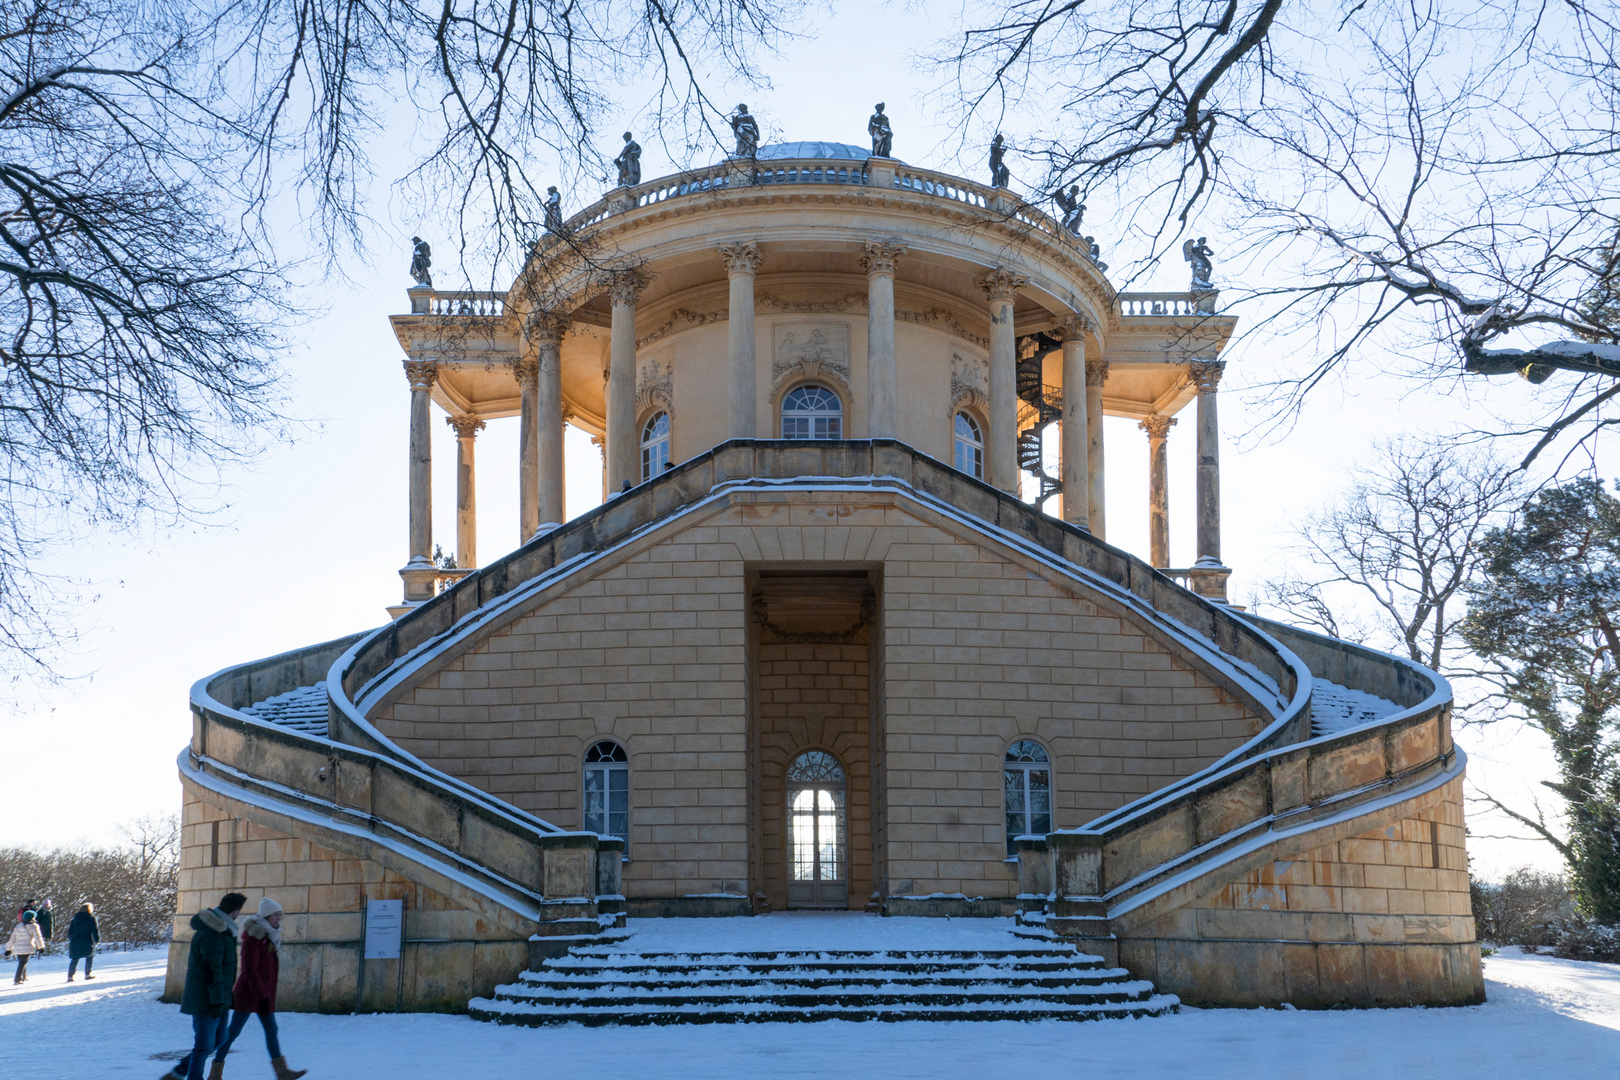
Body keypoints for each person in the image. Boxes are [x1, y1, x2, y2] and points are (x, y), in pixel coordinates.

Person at [209, 898, 307, 1080]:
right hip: (248, 994)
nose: (279, 918)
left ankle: (282, 1071)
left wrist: (264, 995)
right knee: (233, 1033)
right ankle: (215, 1072)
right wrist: (262, 996)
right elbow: (249, 970)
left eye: (280, 915)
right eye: (276, 915)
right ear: (267, 916)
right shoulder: (253, 939)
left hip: (262, 994)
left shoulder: (269, 936)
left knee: (271, 1029)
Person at [162, 893, 245, 1080]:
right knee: (203, 1045)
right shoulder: (212, 934)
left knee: (219, 1040)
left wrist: (224, 999)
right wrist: (217, 1001)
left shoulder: (223, 931)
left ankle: (179, 1071)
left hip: (219, 998)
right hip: (205, 1000)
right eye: (238, 911)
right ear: (233, 912)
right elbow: (212, 971)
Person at [6, 909, 44, 984]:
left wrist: (8, 949)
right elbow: (38, 938)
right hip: (28, 947)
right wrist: (41, 947)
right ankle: (17, 979)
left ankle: (24, 977)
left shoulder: (18, 926)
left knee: (22, 962)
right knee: (23, 963)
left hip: (17, 948)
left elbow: (12, 939)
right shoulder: (34, 926)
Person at [67, 902, 100, 982]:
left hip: (75, 940)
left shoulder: (75, 919)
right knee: (89, 957)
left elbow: (70, 931)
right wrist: (97, 940)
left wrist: (71, 938)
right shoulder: (91, 918)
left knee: (74, 958)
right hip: (86, 940)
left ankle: (70, 976)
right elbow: (94, 930)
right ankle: (88, 974)